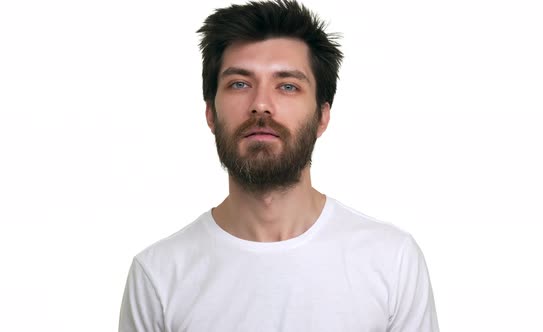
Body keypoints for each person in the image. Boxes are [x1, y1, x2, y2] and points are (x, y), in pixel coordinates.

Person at [118, 1, 439, 331]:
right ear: (210, 114)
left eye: (287, 86)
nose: (260, 104)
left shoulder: (392, 260)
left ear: (322, 116)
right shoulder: (157, 274)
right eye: (239, 83)